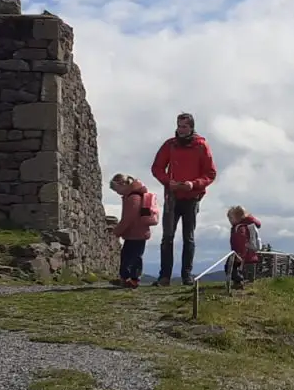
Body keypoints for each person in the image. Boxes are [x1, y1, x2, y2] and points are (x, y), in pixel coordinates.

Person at [150, 112, 218, 286]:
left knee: (188, 237)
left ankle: (186, 276)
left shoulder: (201, 146)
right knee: (167, 237)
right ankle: (164, 277)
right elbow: (157, 167)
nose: (181, 130)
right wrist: (167, 182)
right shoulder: (170, 145)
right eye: (179, 126)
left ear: (191, 127)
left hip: (192, 197)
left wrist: (193, 184)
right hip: (172, 197)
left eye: (184, 126)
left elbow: (210, 173)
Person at [108, 173, 157, 288]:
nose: (118, 192)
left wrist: (117, 231)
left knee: (132, 257)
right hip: (137, 232)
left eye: (117, 189)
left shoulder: (133, 198)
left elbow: (129, 218)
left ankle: (131, 279)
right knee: (130, 256)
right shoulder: (133, 196)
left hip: (136, 233)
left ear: (122, 184)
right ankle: (127, 278)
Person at [227, 205, 262, 290]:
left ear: (238, 217)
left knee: (232, 269)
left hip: (242, 255)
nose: (230, 220)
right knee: (248, 274)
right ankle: (247, 285)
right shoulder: (247, 225)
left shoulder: (240, 228)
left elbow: (241, 242)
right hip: (250, 254)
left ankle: (239, 284)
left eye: (231, 218)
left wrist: (240, 255)